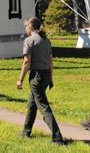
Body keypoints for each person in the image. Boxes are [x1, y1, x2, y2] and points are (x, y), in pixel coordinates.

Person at [16, 17, 67, 146]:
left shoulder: (29, 41)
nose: (25, 29)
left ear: (30, 28)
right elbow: (50, 61)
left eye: (26, 26)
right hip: (45, 75)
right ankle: (26, 132)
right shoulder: (46, 41)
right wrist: (51, 78)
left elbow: (26, 62)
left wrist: (20, 80)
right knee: (32, 104)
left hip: (36, 76)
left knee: (43, 107)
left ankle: (57, 137)